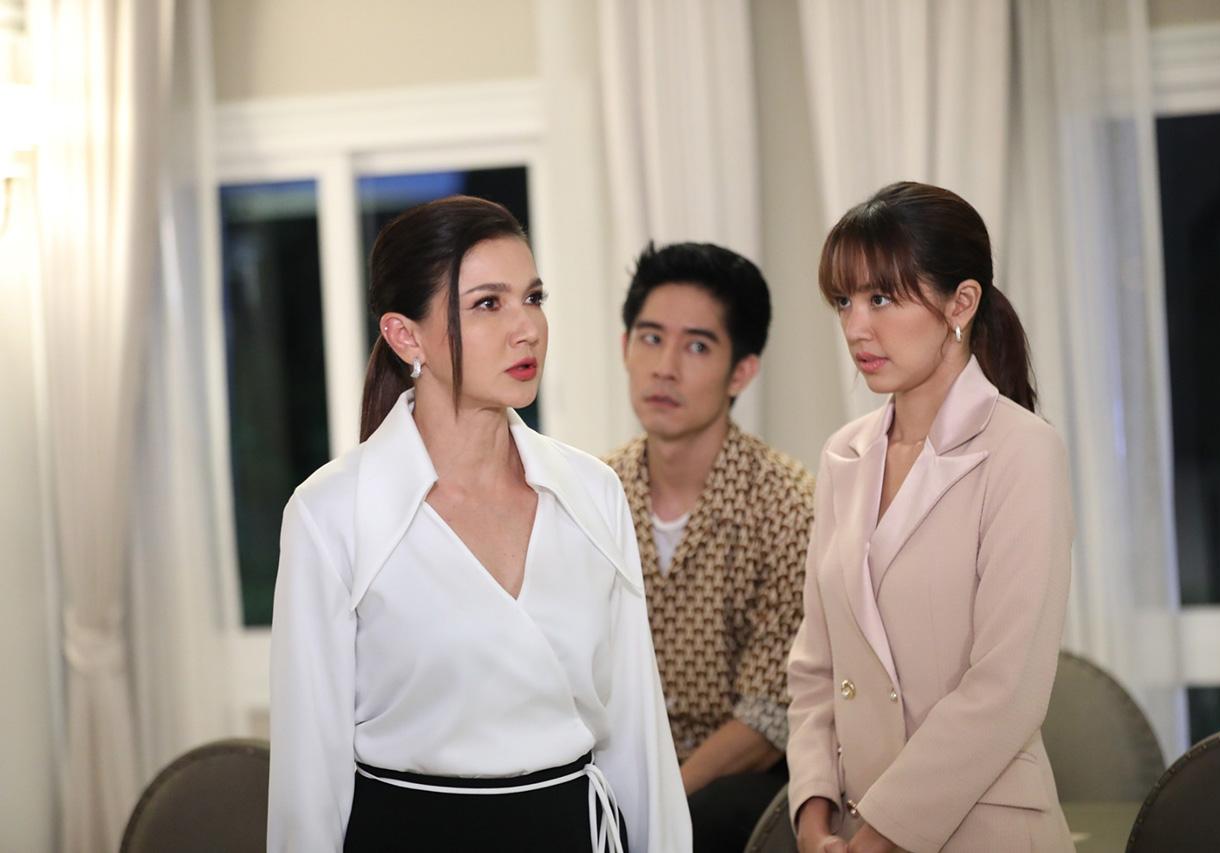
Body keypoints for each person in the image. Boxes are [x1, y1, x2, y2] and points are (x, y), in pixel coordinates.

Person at [267, 196, 691, 852]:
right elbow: (307, 782)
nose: (528, 329)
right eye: (488, 304)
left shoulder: (592, 493)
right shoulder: (331, 514)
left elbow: (638, 732)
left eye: (534, 298)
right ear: (406, 336)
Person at [787, 182, 1074, 853]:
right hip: (850, 829)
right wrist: (811, 810)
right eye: (844, 300)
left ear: (961, 303)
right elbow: (816, 667)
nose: (856, 327)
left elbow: (1006, 689)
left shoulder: (1023, 450)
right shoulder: (843, 455)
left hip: (985, 830)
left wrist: (882, 836)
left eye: (882, 298)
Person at [604, 242, 814, 853]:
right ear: (625, 347)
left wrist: (654, 803)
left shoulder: (788, 504)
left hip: (739, 782)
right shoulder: (592, 494)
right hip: (615, 774)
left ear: (741, 371)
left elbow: (768, 721)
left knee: (707, 821)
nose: (665, 368)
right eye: (650, 339)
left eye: (697, 347)